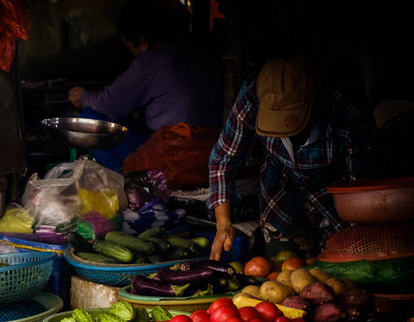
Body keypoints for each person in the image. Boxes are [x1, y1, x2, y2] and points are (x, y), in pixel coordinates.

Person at [207, 55, 378, 261]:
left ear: (316, 101)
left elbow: (361, 186)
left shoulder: (347, 109)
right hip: (280, 198)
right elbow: (223, 159)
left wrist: (356, 237)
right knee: (282, 277)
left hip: (338, 205)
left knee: (339, 276)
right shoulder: (253, 95)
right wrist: (224, 224)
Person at [67, 0, 221, 171]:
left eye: (130, 48)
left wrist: (83, 96)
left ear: (142, 41)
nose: (132, 55)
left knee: (91, 117)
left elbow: (110, 105)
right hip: (210, 148)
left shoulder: (152, 61)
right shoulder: (200, 56)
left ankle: (131, 182)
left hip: (175, 154)